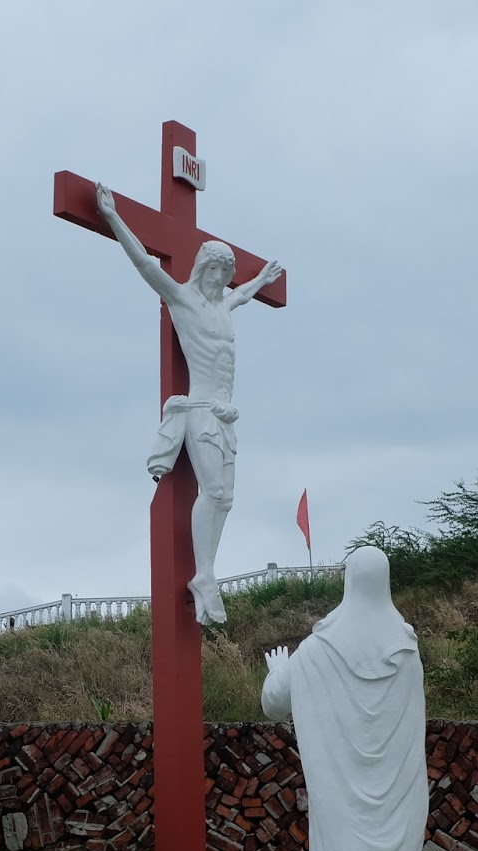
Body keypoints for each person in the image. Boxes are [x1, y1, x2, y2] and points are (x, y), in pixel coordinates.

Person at [95, 182, 283, 626]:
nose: (221, 278)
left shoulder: (225, 306)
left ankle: (206, 573)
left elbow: (242, 294)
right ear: (201, 269)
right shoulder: (182, 299)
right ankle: (204, 574)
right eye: (215, 270)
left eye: (226, 272)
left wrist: (261, 279)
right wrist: (112, 217)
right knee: (213, 491)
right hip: (199, 410)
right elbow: (144, 263)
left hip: (227, 415)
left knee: (227, 499)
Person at [260, 546, 429, 851]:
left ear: (348, 582)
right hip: (398, 791)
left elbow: (273, 704)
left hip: (339, 789)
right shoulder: (406, 650)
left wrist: (276, 671)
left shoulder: (317, 649)